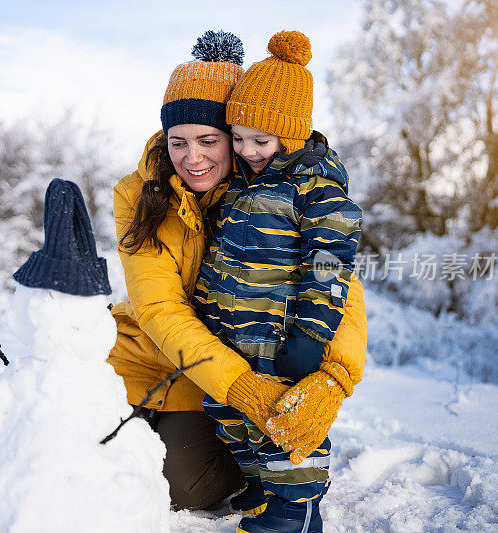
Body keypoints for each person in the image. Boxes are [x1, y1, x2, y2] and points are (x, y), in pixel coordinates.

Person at [107, 30, 367, 514]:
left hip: (222, 367)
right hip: (156, 357)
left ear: (239, 136)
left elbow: (337, 279)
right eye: (178, 141)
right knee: (113, 467)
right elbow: (160, 306)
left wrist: (333, 375)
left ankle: (283, 499)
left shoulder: (281, 191)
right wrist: (244, 388)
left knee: (193, 486)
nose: (193, 157)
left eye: (210, 140)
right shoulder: (139, 194)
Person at [194, 30, 362, 533]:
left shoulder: (317, 189)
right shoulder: (243, 184)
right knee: (231, 417)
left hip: (282, 338)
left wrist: (312, 334)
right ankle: (264, 484)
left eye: (260, 140)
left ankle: (296, 510)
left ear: (291, 134)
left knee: (285, 427)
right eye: (238, 137)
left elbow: (330, 268)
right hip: (231, 336)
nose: (245, 150)